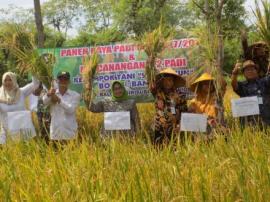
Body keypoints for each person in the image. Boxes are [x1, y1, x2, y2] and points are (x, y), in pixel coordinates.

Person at [149, 67, 187, 145]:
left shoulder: (179, 96)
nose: (167, 82)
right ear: (162, 81)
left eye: (169, 80)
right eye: (165, 80)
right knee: (158, 149)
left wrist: (180, 125)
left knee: (174, 147)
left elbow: (184, 112)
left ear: (173, 81)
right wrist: (151, 61)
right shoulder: (157, 92)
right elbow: (150, 82)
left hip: (173, 127)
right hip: (159, 126)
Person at [0, 72, 39, 144]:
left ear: (14, 80)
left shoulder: (21, 92)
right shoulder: (0, 96)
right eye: (5, 80)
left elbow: (35, 84)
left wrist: (33, 68)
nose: (8, 82)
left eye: (10, 80)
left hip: (24, 132)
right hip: (8, 135)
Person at [43, 71, 80, 142]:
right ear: (57, 81)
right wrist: (49, 94)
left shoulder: (75, 95)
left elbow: (70, 110)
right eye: (61, 79)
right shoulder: (52, 93)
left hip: (70, 134)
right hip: (55, 134)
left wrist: (58, 100)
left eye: (65, 79)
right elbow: (44, 102)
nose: (63, 81)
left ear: (69, 82)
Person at [231, 60, 270, 126]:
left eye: (252, 69)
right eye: (247, 70)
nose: (250, 71)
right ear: (244, 73)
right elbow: (234, 85)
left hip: (266, 121)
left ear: (256, 71)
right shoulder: (242, 86)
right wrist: (234, 74)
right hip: (249, 124)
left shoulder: (264, 82)